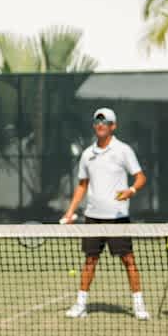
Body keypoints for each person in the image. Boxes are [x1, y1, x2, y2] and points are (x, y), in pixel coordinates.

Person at [62, 107, 149, 320]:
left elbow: (140, 177)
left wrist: (131, 190)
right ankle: (80, 304)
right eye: (97, 121)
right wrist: (70, 212)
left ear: (113, 126)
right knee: (90, 260)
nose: (100, 125)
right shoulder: (86, 155)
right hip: (93, 217)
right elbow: (82, 186)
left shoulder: (123, 150)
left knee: (128, 260)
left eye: (105, 122)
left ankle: (138, 306)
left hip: (118, 218)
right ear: (95, 126)